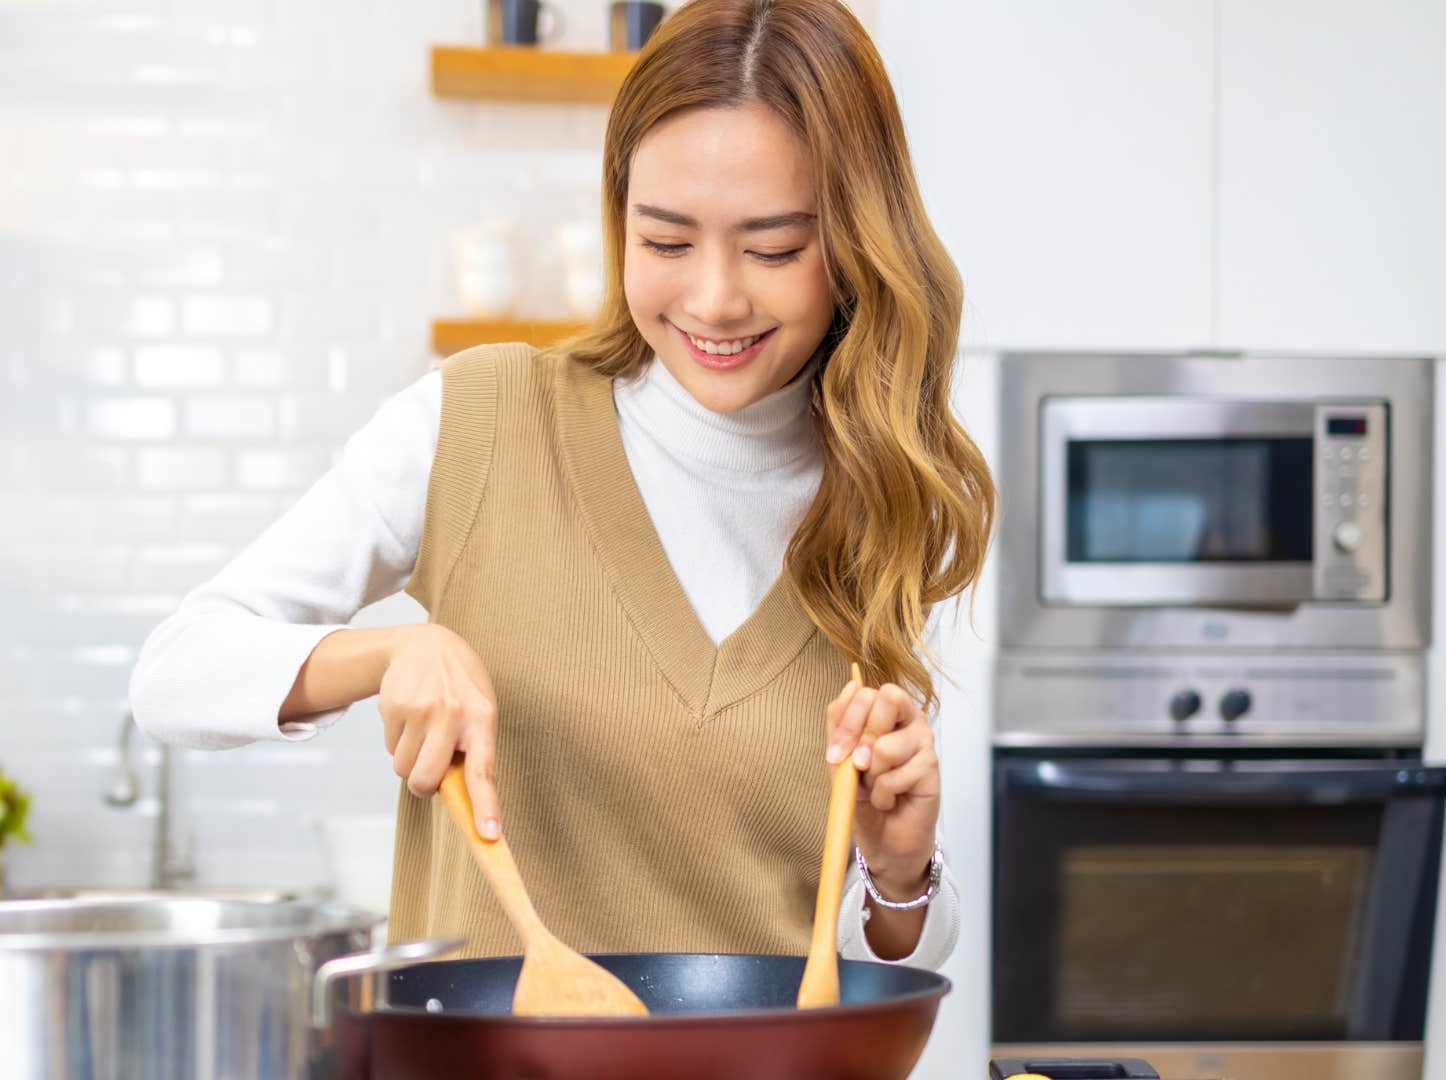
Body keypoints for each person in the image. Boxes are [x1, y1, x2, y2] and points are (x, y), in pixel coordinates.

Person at [131, 0, 994, 969]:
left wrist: (901, 874)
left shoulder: (883, 491)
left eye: (773, 249)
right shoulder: (478, 422)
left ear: (856, 243)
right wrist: (389, 655)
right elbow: (174, 673)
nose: (714, 298)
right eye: (666, 242)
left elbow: (887, 965)